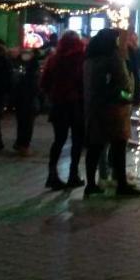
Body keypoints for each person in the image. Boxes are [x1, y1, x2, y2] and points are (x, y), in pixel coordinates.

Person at [83, 29, 140, 198]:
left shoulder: (89, 59)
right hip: (114, 109)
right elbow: (124, 83)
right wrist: (128, 96)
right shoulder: (113, 57)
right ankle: (121, 184)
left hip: (94, 108)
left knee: (95, 148)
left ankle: (91, 184)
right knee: (118, 147)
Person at [42, 31, 88, 189]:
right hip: (76, 104)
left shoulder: (54, 59)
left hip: (58, 104)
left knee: (59, 140)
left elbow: (44, 82)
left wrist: (53, 95)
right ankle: (73, 174)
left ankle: (52, 174)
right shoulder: (81, 59)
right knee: (77, 141)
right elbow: (84, 82)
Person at [11, 47, 42, 156]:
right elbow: (35, 84)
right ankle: (24, 146)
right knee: (27, 123)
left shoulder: (18, 64)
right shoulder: (33, 66)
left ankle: (20, 143)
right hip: (28, 98)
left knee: (21, 122)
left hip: (19, 98)